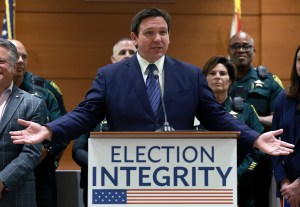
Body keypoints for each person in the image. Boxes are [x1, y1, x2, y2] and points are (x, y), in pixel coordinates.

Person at [10, 7, 294, 169]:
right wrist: (49, 130)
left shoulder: (191, 75)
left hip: (179, 175)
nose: (158, 38)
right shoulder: (111, 76)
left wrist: (255, 138)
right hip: (128, 175)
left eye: (163, 32)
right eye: (149, 33)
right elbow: (85, 115)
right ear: (135, 38)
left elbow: (217, 118)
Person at [72, 37, 137, 207]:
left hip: (136, 184)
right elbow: (78, 149)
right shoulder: (96, 99)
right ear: (113, 59)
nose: (127, 56)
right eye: (122, 52)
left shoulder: (151, 99)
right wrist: (106, 167)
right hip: (98, 183)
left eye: (132, 53)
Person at [227, 31, 284, 207]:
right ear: (229, 51)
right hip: (228, 158)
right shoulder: (220, 79)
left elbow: (279, 118)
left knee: (260, 201)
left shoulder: (269, 82)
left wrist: (252, 118)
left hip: (260, 158)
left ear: (254, 50)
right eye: (236, 46)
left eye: (246, 46)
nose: (241, 50)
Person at [9, 39, 68, 207]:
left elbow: (63, 130)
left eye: (24, 57)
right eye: (16, 55)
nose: (20, 60)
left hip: (40, 173)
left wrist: (46, 152)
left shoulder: (46, 89)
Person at [201, 55, 264, 206]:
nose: (217, 77)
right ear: (204, 79)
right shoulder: (194, 111)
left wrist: (236, 174)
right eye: (212, 73)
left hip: (240, 186)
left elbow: (259, 150)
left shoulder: (246, 110)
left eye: (222, 74)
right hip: (202, 186)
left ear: (230, 80)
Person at [0, 38, 47, 206]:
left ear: (14, 67)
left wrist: (2, 181)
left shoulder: (33, 104)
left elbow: (31, 153)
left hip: (15, 195)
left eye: (1, 61)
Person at [272, 45, 300, 207]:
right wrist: (284, 182)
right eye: (299, 60)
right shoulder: (284, 97)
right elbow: (274, 143)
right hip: (289, 190)